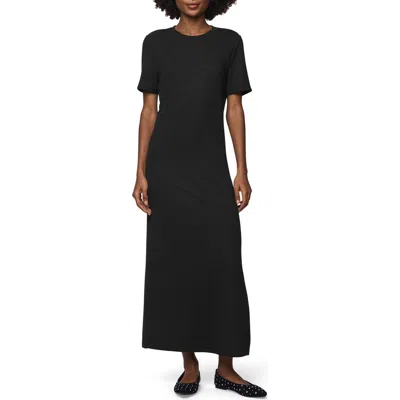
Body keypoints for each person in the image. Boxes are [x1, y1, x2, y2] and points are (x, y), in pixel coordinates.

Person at [133, 0, 267, 397]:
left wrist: (241, 170)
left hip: (211, 169)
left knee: (224, 262)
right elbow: (149, 111)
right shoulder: (155, 43)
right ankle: (189, 365)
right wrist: (140, 171)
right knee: (176, 264)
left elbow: (234, 108)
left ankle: (226, 368)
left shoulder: (229, 43)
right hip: (167, 171)